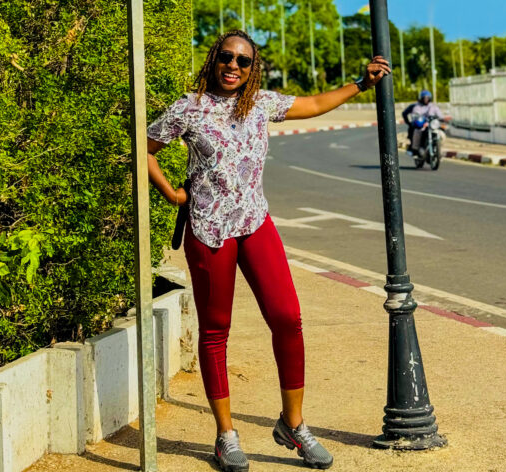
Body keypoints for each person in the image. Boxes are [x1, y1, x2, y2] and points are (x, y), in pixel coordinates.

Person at [146, 28, 390, 472]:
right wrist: (172, 195)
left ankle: (292, 425)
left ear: (252, 68)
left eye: (243, 61)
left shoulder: (261, 103)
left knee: (287, 317)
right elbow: (144, 148)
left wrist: (361, 83)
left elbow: (314, 105)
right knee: (215, 330)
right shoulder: (190, 107)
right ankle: (226, 436)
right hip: (209, 232)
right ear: (213, 60)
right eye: (226, 57)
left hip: (256, 223)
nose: (233, 66)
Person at [402, 90, 450, 154]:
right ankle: (415, 148)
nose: (426, 100)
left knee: (441, 131)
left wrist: (444, 119)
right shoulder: (416, 106)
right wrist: (409, 122)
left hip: (431, 125)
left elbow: (440, 116)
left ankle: (436, 148)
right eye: (424, 98)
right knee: (416, 130)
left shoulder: (433, 106)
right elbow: (411, 114)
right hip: (421, 125)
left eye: (427, 98)